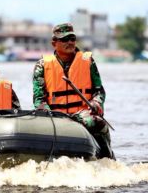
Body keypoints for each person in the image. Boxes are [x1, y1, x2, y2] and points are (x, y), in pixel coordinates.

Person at [32, 23, 114, 159]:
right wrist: (47, 112)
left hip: (82, 113)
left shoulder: (88, 62)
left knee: (97, 122)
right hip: (55, 115)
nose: (70, 42)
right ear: (54, 43)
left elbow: (99, 91)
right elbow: (38, 99)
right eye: (64, 39)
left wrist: (96, 103)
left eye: (72, 38)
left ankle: (107, 159)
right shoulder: (42, 65)